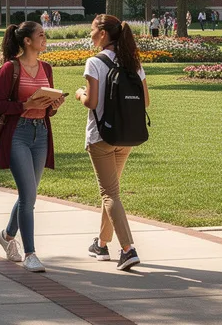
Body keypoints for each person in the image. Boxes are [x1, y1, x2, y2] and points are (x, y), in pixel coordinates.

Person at [75, 14, 148, 271]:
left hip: (100, 137)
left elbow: (92, 102)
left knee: (109, 193)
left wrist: (79, 94)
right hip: (126, 136)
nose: (90, 34)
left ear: (103, 34)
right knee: (111, 191)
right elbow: (146, 102)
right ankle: (102, 244)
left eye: (92, 30)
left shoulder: (94, 62)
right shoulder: (133, 62)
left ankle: (128, 249)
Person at [0, 20, 63, 273]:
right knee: (29, 197)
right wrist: (25, 106)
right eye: (41, 35)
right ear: (27, 41)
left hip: (41, 134)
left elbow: (47, 109)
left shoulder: (46, 67)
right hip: (18, 135)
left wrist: (52, 106)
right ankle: (31, 253)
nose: (45, 39)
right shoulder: (10, 69)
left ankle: (7, 235)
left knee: (28, 195)